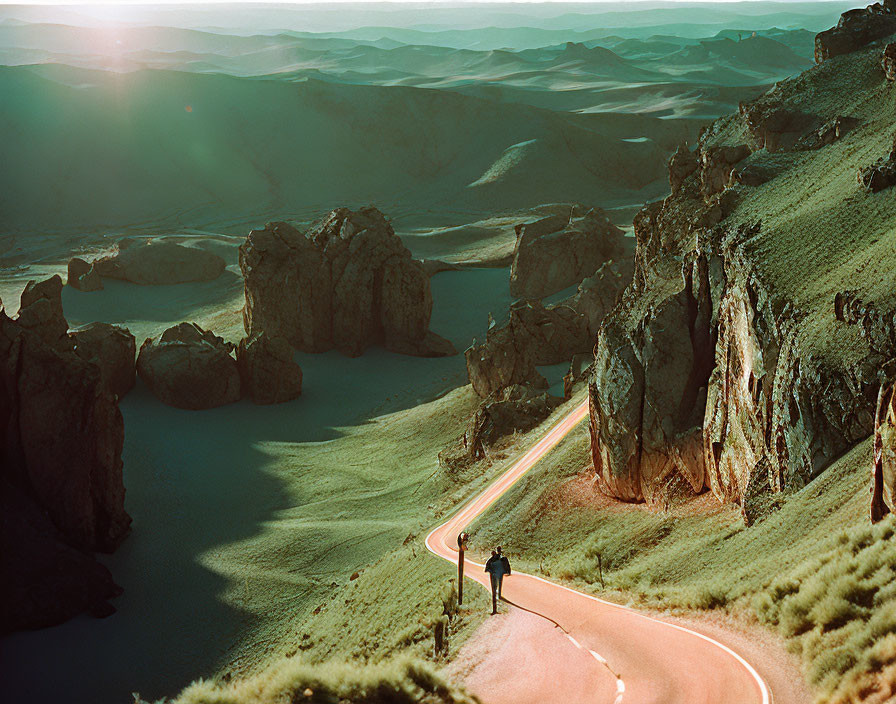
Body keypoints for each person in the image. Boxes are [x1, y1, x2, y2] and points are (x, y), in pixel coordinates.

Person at [484, 547, 511, 614]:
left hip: (495, 575)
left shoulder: (497, 559)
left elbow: (487, 568)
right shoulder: (500, 559)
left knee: (495, 588)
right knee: (496, 588)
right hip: (496, 574)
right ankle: (495, 607)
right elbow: (487, 568)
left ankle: (496, 603)